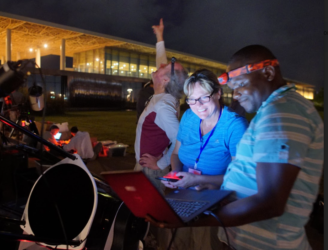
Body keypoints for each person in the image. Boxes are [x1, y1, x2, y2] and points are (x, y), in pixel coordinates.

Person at [147, 45, 324, 250]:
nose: (236, 94)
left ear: (268, 72)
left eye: (240, 84)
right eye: (233, 87)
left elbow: (270, 202)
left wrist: (193, 218)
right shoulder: (275, 110)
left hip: (268, 242)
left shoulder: (281, 113)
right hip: (248, 238)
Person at [157, 69, 248, 250]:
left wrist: (200, 179)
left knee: (204, 244)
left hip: (214, 203)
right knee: (176, 243)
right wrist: (176, 173)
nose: (198, 105)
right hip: (183, 196)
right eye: (191, 99)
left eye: (204, 97)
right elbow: (176, 153)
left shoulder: (234, 125)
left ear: (218, 93)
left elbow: (241, 176)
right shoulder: (189, 117)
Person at [134, 18, 188, 193]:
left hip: (150, 170)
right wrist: (159, 37)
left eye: (166, 68)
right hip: (145, 166)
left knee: (151, 215)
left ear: (164, 80)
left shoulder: (163, 106)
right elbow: (161, 62)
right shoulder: (165, 95)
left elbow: (181, 139)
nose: (162, 65)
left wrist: (161, 162)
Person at [136, 18, 168, 122]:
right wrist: (159, 36)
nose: (161, 67)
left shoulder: (168, 95)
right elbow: (161, 59)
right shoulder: (145, 92)